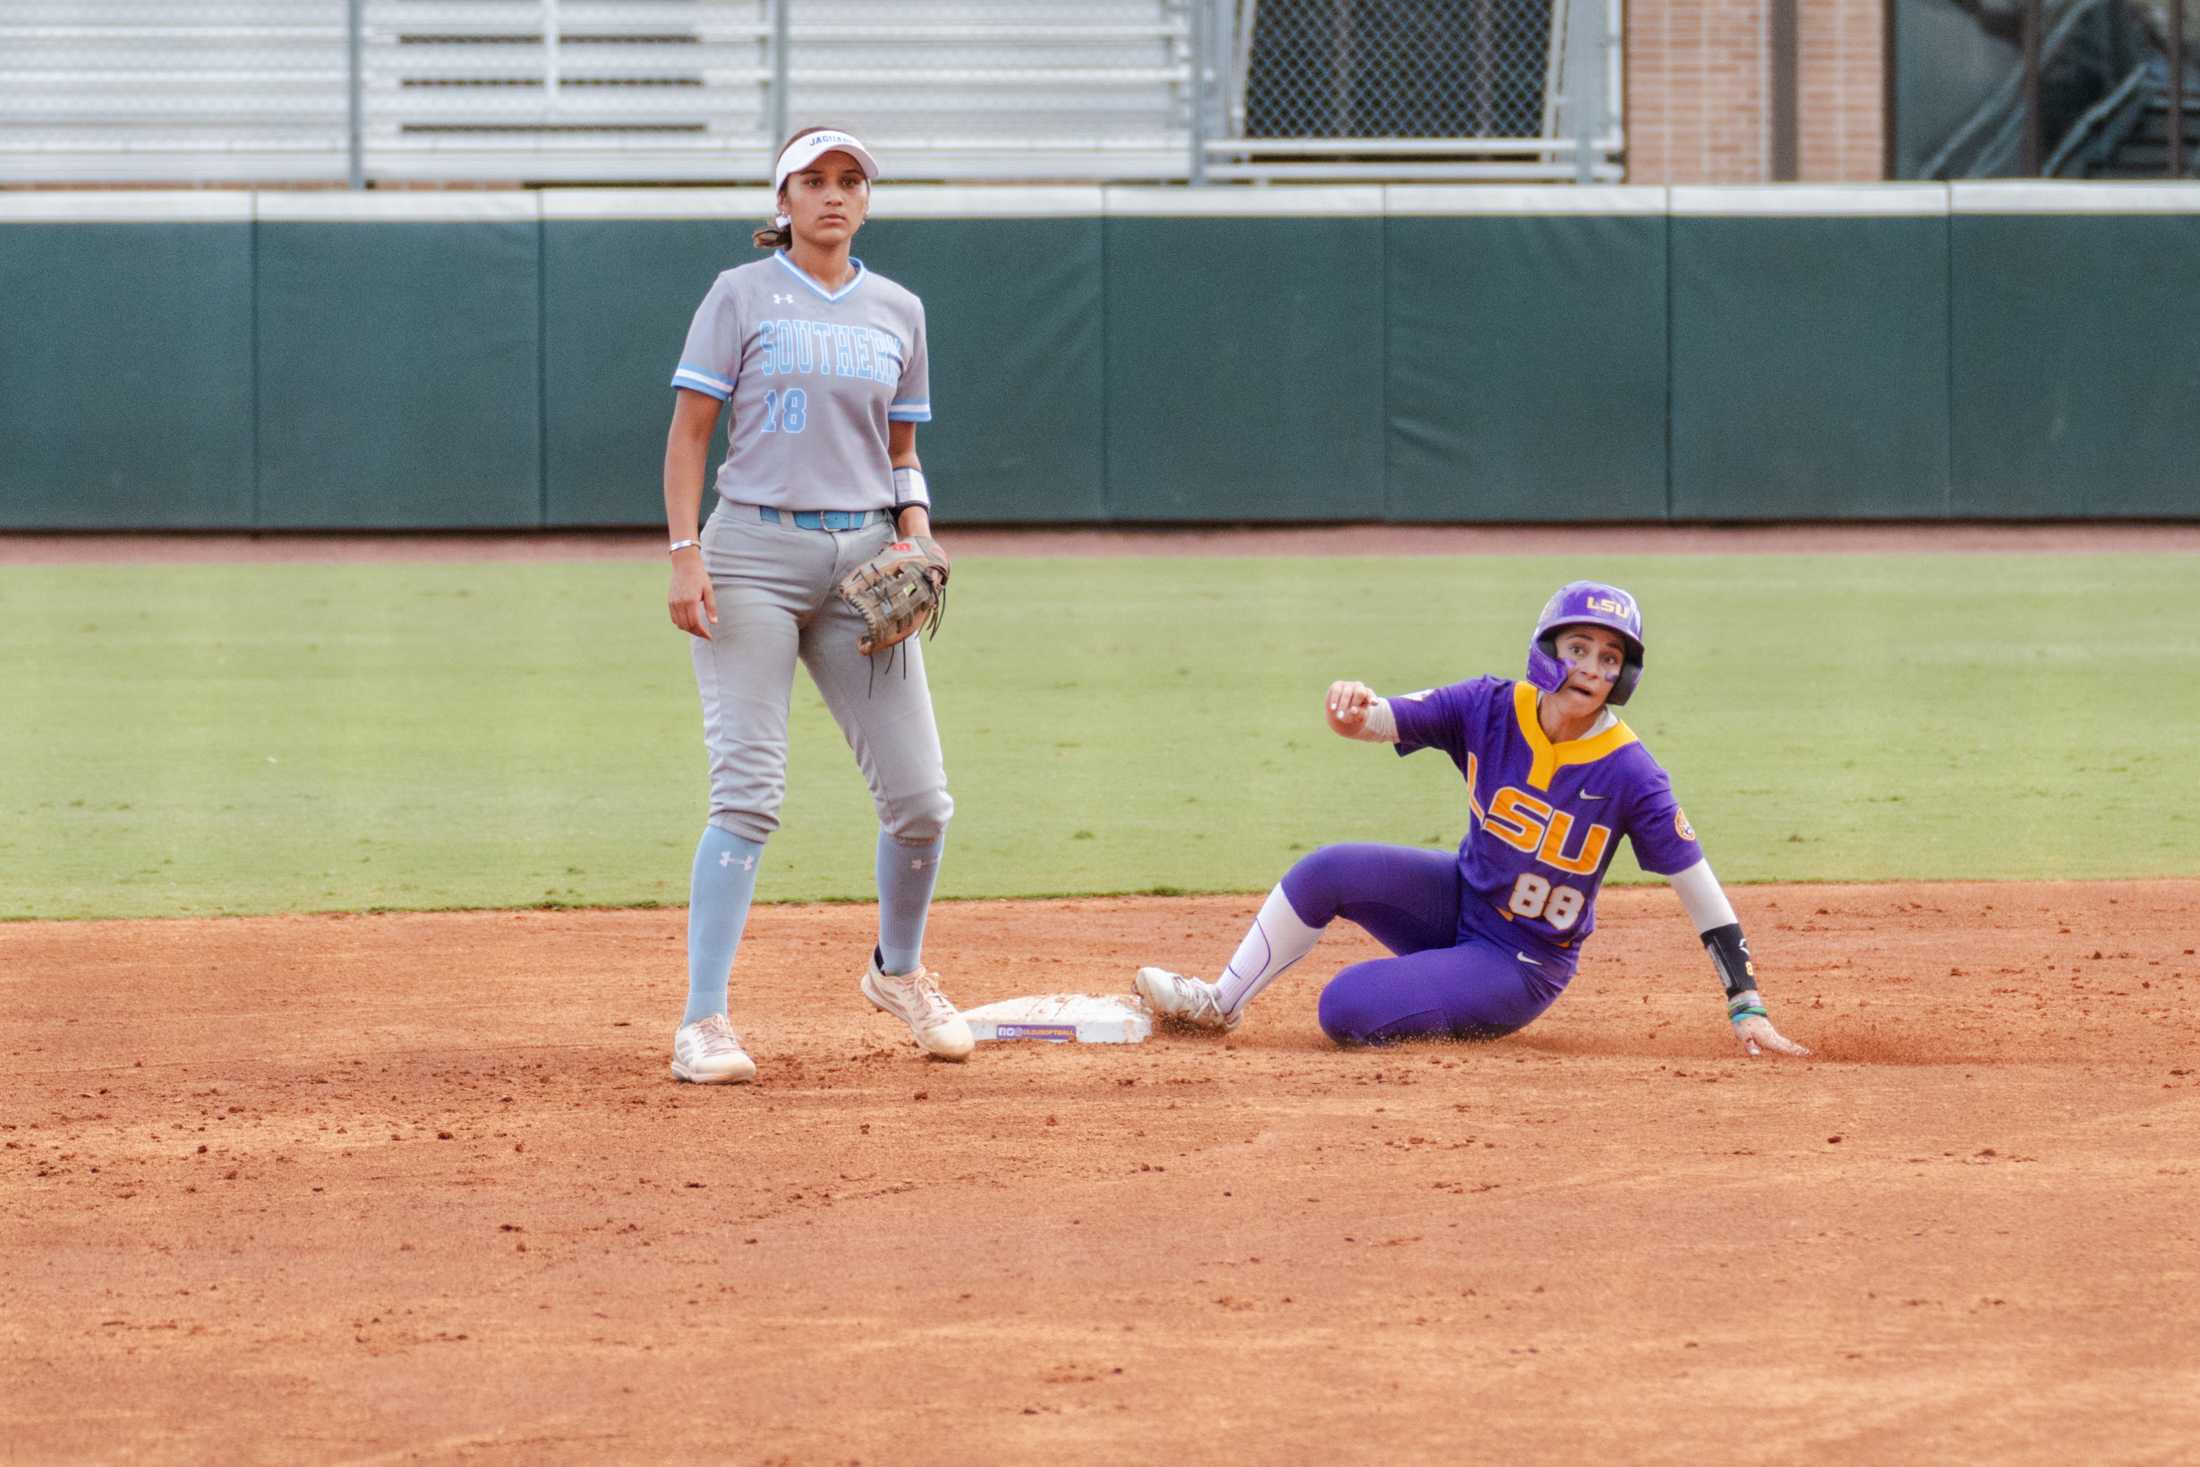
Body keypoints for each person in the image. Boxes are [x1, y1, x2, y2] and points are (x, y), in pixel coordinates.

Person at [1135, 581, 1810, 1058]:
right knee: (1327, 870)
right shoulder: (1490, 705)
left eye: (1610, 658)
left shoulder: (1632, 773)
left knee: (1344, 1008)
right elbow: (1379, 718)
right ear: (1548, 648)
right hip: (1461, 896)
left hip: (1522, 960)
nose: (1593, 668)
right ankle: (1218, 1003)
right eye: (1580, 647)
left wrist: (1746, 1004)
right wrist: (1349, 707)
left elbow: (1703, 895)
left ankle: (1453, 988)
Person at [661, 125, 971, 1083]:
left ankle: (900, 973)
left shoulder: (900, 311)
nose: (833, 195)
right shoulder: (739, 294)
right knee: (748, 794)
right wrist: (684, 554)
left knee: (922, 802)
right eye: (814, 181)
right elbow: (689, 436)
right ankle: (703, 1022)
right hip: (750, 550)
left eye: (850, 181)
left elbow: (903, 455)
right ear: (783, 201)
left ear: (866, 201)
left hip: (864, 555)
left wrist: (916, 533)